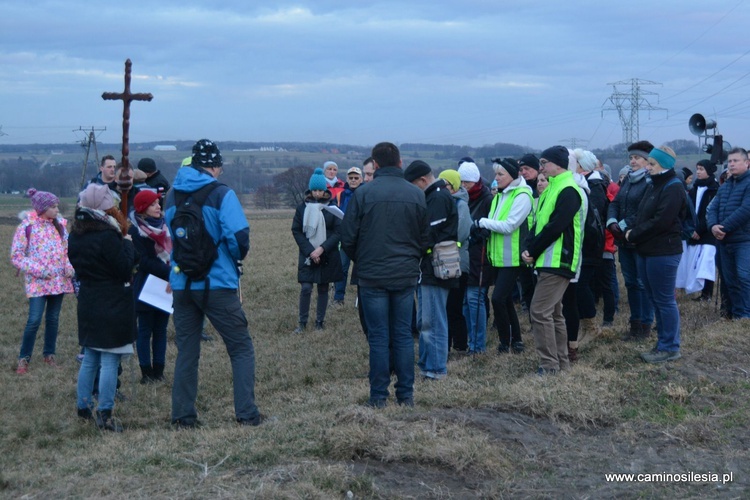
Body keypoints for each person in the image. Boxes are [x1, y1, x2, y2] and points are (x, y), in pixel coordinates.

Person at [165, 139, 263, 427]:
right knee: (241, 348)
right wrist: (234, 260)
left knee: (187, 351)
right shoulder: (222, 193)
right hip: (217, 284)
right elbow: (239, 237)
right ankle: (247, 414)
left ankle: (183, 416)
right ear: (214, 166)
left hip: (182, 284)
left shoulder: (172, 196)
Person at [341, 142, 429, 407]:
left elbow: (347, 237)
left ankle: (378, 396)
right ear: (400, 163)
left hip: (371, 275)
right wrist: (411, 259)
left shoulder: (364, 194)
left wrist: (364, 259)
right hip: (404, 275)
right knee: (402, 335)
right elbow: (425, 238)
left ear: (375, 165)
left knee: (379, 337)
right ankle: (406, 395)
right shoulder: (416, 195)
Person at [69, 183, 136, 432]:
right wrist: (127, 243)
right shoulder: (108, 235)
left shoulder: (76, 233)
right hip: (112, 302)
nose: (115, 206)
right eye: (111, 202)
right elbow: (122, 267)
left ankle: (83, 406)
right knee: (109, 360)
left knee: (90, 358)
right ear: (101, 206)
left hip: (88, 300)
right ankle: (105, 413)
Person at [522, 146, 584, 375]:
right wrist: (529, 248)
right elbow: (538, 223)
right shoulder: (552, 188)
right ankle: (560, 364)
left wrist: (534, 250)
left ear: (558, 164)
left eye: (544, 163)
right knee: (554, 313)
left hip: (559, 261)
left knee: (539, 311)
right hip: (547, 261)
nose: (541, 168)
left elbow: (555, 227)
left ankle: (549, 366)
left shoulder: (568, 190)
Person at [625, 146, 686, 363]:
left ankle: (670, 347)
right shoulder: (654, 185)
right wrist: (629, 228)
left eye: (652, 164)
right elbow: (643, 215)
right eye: (648, 163)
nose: (647, 167)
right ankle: (663, 343)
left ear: (665, 166)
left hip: (663, 251)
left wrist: (634, 234)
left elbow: (661, 221)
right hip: (647, 250)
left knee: (664, 300)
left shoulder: (673, 187)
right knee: (654, 298)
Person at [404, 160, 459, 379]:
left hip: (436, 269)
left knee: (433, 321)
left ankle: (436, 370)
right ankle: (427, 364)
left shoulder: (437, 198)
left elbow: (428, 235)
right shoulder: (435, 195)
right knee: (424, 320)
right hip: (427, 269)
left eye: (413, 185)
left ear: (423, 180)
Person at [11, 188, 75, 374]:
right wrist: (39, 271)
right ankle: (24, 359)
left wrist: (69, 267)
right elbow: (17, 256)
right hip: (37, 282)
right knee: (34, 320)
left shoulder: (60, 225)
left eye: (57, 206)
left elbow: (67, 251)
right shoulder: (27, 227)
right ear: (42, 208)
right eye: (53, 206)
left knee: (53, 319)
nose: (57, 209)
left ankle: (49, 354)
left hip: (59, 281)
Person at [475, 159, 532, 354]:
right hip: (498, 256)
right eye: (496, 174)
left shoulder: (522, 195)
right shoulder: (500, 195)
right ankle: (516, 341)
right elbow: (495, 221)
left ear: (513, 175)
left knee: (498, 299)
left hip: (513, 257)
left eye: (501, 175)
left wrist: (483, 223)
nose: (496, 178)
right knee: (505, 299)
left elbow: (510, 225)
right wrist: (486, 229)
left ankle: (503, 341)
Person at [606, 141, 655, 341]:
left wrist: (624, 223)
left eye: (637, 158)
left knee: (643, 284)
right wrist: (611, 221)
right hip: (623, 241)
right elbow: (616, 202)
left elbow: (646, 209)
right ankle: (634, 324)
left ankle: (645, 324)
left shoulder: (650, 182)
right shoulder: (628, 180)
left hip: (640, 239)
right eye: (631, 158)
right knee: (631, 283)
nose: (633, 161)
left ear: (647, 160)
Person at [291, 168, 344, 332]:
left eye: (320, 190)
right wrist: (310, 251)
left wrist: (322, 249)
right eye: (314, 190)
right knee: (306, 288)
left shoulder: (332, 208)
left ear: (325, 190)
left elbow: (339, 231)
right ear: (310, 190)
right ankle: (302, 323)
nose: (317, 193)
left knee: (323, 288)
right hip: (308, 254)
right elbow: (296, 230)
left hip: (327, 254)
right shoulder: (302, 208)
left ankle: (319, 322)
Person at [129, 190, 172, 384]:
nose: (158, 207)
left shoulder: (166, 227)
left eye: (158, 203)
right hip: (146, 285)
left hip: (166, 286)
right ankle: (146, 372)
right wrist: (168, 272)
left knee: (161, 329)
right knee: (145, 330)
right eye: (153, 204)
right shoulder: (135, 231)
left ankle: (159, 370)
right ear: (142, 208)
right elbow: (142, 261)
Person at [707, 147, 750, 320]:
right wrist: (712, 227)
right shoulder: (725, 186)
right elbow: (713, 208)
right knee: (730, 281)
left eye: (735, 161)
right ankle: (737, 314)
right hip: (724, 242)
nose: (731, 164)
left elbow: (745, 210)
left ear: (746, 163)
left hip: (744, 241)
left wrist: (722, 228)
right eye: (729, 161)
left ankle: (746, 315)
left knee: (744, 278)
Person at [458, 159, 495, 354]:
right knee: (465, 300)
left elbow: (488, 227)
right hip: (464, 257)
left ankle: (478, 346)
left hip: (480, 257)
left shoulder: (487, 199)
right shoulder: (461, 199)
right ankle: (469, 341)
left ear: (476, 181)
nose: (464, 186)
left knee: (475, 299)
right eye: (461, 182)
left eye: (468, 183)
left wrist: (473, 233)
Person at [438, 169, 471, 353]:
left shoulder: (461, 205)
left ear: (454, 186)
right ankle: (446, 345)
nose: (443, 188)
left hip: (458, 261)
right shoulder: (441, 202)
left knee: (454, 307)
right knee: (444, 306)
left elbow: (462, 232)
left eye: (446, 185)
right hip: (443, 261)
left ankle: (460, 345)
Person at [687, 160, 720, 302]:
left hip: (708, 233)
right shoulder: (694, 189)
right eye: (697, 169)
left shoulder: (715, 189)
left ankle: (707, 293)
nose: (698, 172)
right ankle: (700, 291)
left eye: (701, 169)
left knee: (706, 263)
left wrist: (700, 229)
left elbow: (710, 212)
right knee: (696, 262)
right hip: (694, 231)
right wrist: (691, 229)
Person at [332, 167, 363, 307]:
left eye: (356, 178)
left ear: (361, 179)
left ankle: (361, 299)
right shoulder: (340, 195)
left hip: (361, 238)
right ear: (347, 179)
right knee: (341, 269)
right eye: (351, 178)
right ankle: (339, 298)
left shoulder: (365, 194)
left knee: (361, 270)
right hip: (344, 238)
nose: (353, 180)